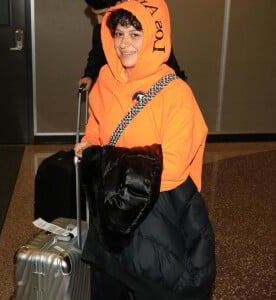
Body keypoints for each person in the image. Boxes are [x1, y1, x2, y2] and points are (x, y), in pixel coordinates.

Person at [75, 0, 215, 299]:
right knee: (109, 281)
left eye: (135, 34)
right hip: (112, 214)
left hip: (156, 214)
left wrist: (103, 162)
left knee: (151, 283)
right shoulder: (105, 81)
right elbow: (96, 127)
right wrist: (89, 145)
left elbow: (173, 168)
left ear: (153, 37)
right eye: (119, 33)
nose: (125, 43)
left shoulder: (175, 92)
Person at [78, 0, 187, 91]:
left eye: (103, 14)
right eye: (119, 34)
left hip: (152, 91)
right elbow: (96, 54)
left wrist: (179, 86)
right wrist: (89, 75)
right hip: (119, 91)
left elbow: (168, 60)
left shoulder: (147, 24)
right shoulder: (100, 30)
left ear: (121, 3)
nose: (99, 21)